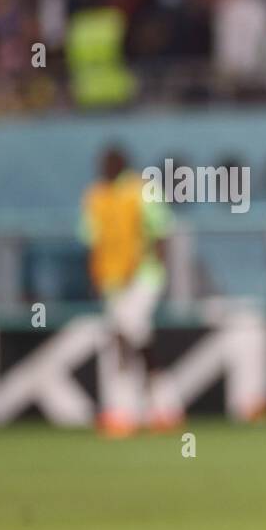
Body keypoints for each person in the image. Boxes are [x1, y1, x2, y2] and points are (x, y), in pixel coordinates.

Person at [78, 145, 181, 435]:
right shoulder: (95, 196)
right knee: (138, 337)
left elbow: (161, 231)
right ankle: (165, 406)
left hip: (143, 277)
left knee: (122, 334)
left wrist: (154, 271)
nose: (105, 167)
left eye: (110, 162)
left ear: (122, 164)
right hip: (112, 282)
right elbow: (93, 240)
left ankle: (124, 411)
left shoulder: (141, 189)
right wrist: (96, 275)